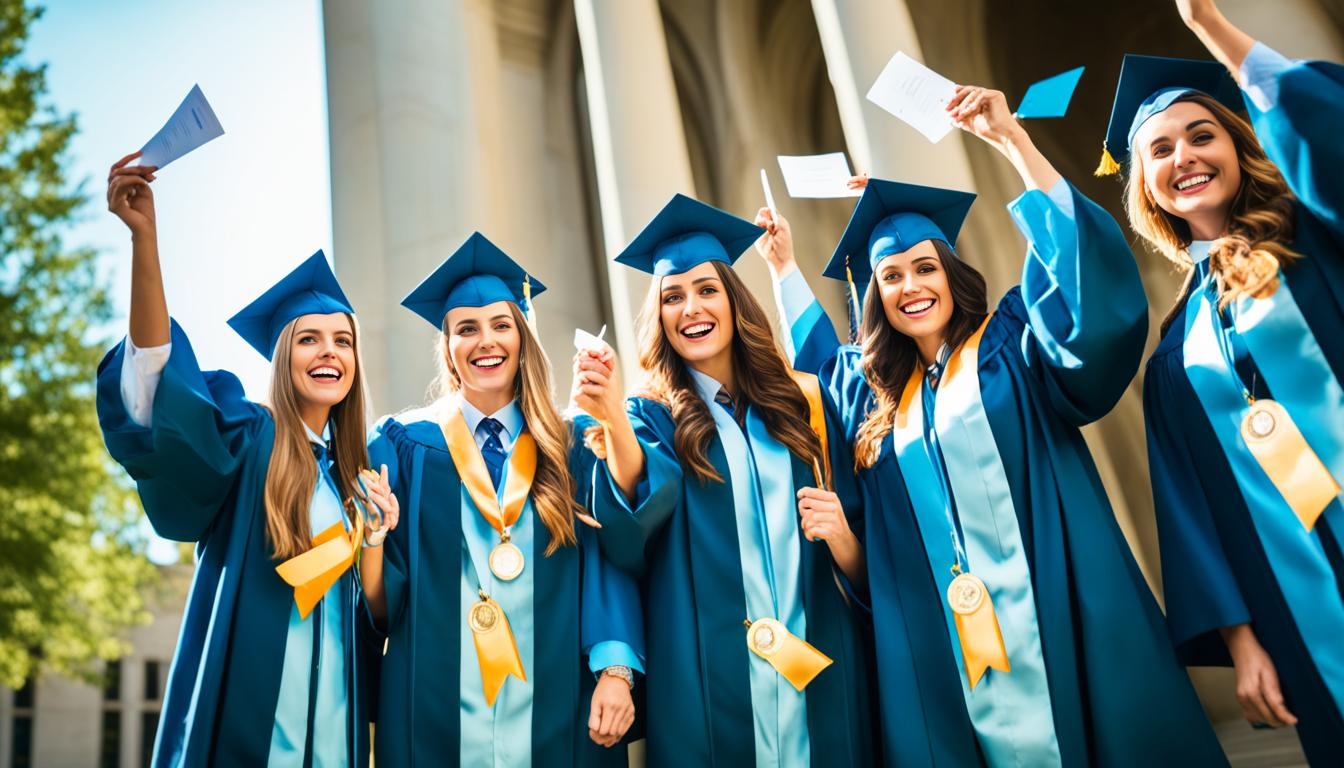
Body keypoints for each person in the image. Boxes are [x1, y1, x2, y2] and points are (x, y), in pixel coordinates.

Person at [754, 82, 1223, 765]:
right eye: (891, 277)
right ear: (876, 299)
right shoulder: (883, 404)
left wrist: (1012, 140)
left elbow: (1085, 296)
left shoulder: (1013, 340)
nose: (911, 286)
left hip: (1059, 611)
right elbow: (823, 370)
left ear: (951, 273)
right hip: (951, 647)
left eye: (924, 267)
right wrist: (785, 269)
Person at [96, 152, 394, 766]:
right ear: (282, 356)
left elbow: (376, 619)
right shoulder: (248, 436)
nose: (328, 352)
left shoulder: (360, 478)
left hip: (335, 735)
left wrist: (375, 539)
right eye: (308, 339)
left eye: (342, 341)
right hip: (248, 726)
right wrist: (145, 243)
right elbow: (160, 391)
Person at [1105, 0, 1344, 757]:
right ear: (1145, 185)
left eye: (1202, 135)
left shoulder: (1319, 240)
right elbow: (1192, 510)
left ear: (1240, 146)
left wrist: (1212, 28)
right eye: (1161, 150)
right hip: (1295, 588)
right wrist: (1242, 642)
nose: (1184, 157)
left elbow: (1329, 145)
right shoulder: (1176, 349)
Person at [575, 194, 874, 767]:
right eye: (673, 296)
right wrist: (612, 415)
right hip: (708, 690)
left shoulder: (801, 406)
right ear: (659, 317)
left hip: (826, 671)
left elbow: (868, 556)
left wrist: (785, 268)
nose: (692, 307)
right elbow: (635, 517)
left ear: (735, 303)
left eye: (707, 289)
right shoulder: (651, 420)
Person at [361, 232, 643, 767]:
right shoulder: (400, 442)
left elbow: (609, 560)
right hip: (434, 704)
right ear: (447, 347)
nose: (485, 341)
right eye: (466, 328)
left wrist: (615, 668)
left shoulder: (572, 442)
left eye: (501, 325)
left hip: (558, 696)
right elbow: (381, 594)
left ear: (523, 337)